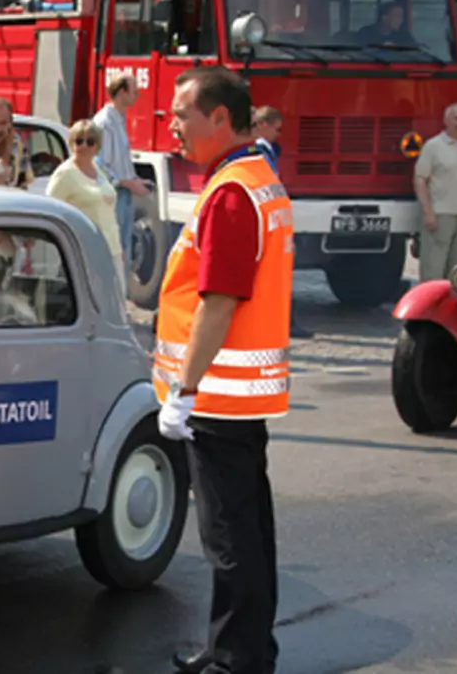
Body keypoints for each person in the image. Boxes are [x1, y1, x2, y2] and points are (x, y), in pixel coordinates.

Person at [156, 66, 295, 674]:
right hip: (240, 395)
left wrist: (183, 390)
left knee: (229, 538)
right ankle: (239, 649)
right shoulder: (258, 178)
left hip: (217, 396)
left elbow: (218, 301)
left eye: (182, 113)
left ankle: (236, 661)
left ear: (220, 118)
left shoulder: (231, 192)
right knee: (249, 529)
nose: (173, 125)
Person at [252, 106, 313, 338]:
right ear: (263, 125)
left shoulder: (267, 151)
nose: (279, 134)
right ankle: (282, 321)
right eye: (276, 129)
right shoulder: (260, 152)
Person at [45, 119, 124, 287]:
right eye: (79, 141)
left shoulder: (97, 169)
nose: (84, 146)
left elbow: (108, 209)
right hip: (84, 248)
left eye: (90, 142)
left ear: (97, 146)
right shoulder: (65, 173)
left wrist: (120, 248)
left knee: (116, 299)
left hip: (111, 248)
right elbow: (50, 209)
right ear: (71, 143)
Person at [413, 102, 457, 282]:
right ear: (446, 120)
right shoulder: (433, 146)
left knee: (456, 269)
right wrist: (428, 213)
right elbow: (420, 179)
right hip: (440, 214)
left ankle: (450, 307)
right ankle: (430, 308)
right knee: (434, 267)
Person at [93, 73, 150, 269]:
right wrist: (127, 183)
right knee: (114, 254)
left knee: (123, 253)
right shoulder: (105, 123)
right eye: (134, 90)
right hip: (112, 196)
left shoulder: (118, 120)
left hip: (122, 195)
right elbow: (99, 164)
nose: (138, 95)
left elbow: (119, 162)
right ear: (121, 92)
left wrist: (135, 179)